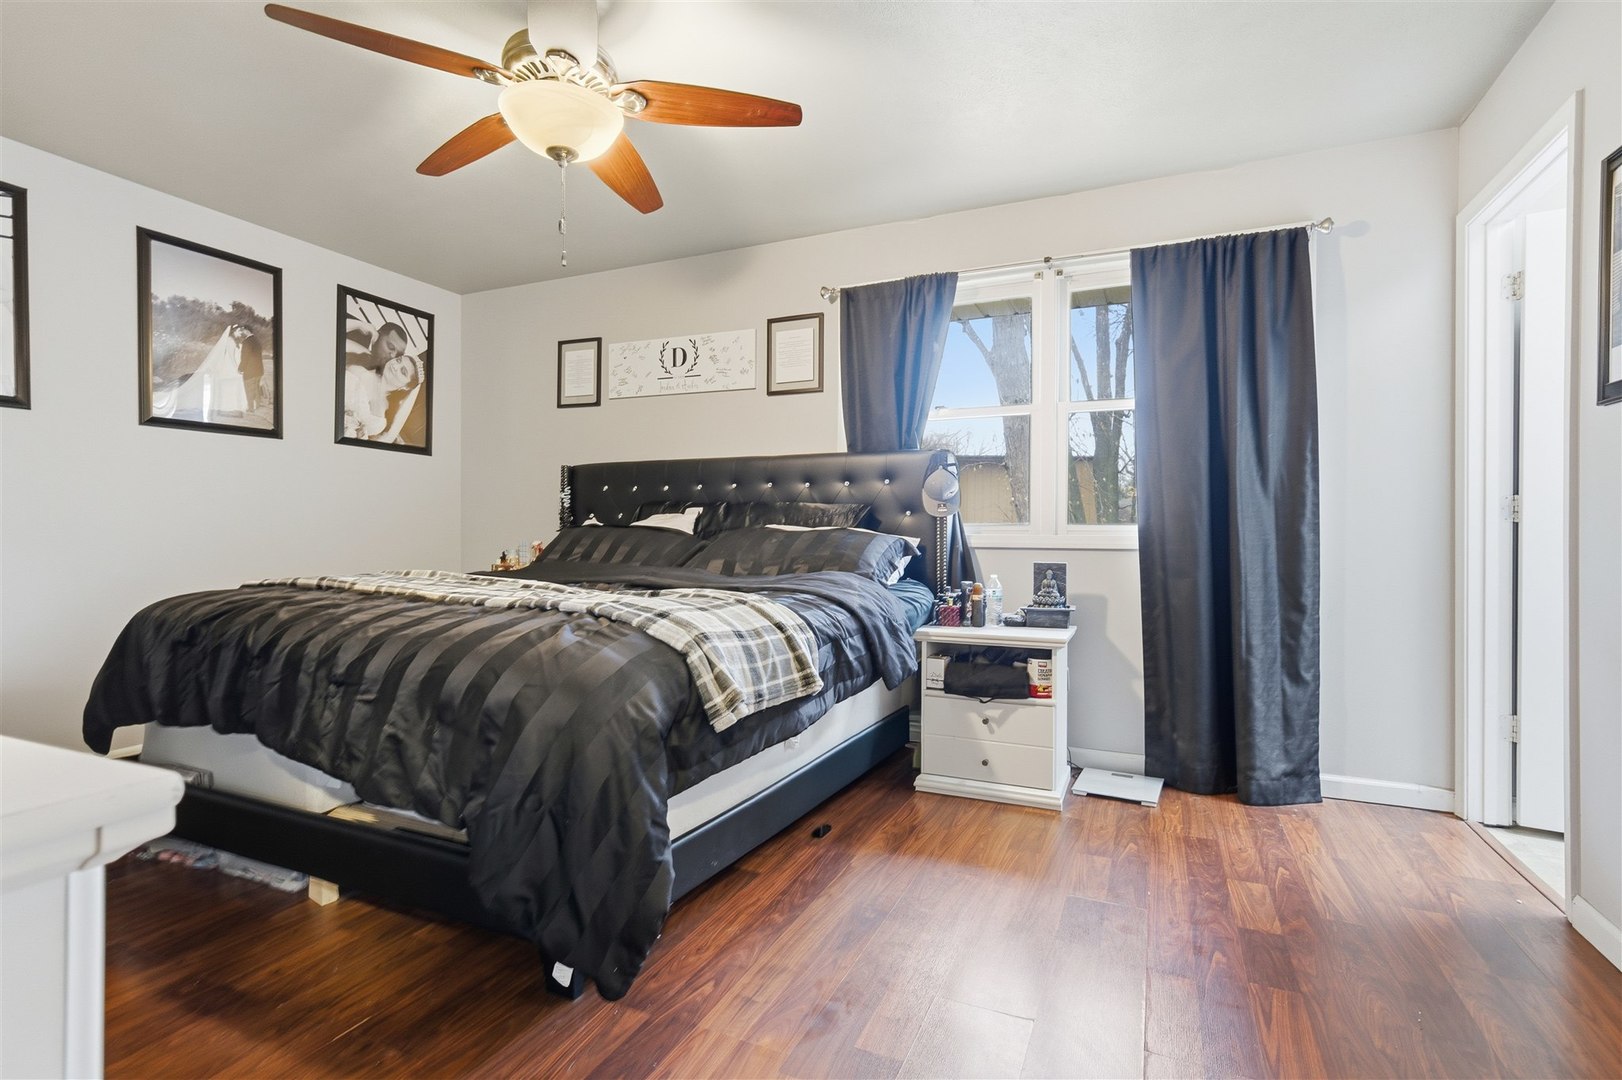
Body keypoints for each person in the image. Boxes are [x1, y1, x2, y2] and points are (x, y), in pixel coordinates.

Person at [152, 324, 246, 419]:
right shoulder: (230, 341)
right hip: (228, 368)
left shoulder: (231, 341)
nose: (240, 333)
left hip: (227, 368)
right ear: (233, 331)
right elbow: (230, 357)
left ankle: (229, 408)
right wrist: (236, 369)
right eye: (238, 330)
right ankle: (229, 408)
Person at [234, 324, 264, 412]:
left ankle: (251, 408)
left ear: (247, 330)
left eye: (243, 330)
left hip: (250, 371)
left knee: (249, 389)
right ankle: (257, 405)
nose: (242, 332)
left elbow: (245, 357)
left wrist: (240, 368)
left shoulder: (246, 342)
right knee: (256, 388)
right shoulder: (257, 340)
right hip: (259, 370)